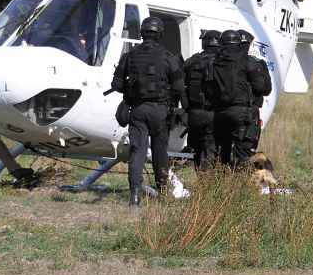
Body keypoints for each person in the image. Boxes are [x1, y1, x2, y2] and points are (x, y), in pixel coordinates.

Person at [111, 16, 188, 206]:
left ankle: (135, 197)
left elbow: (116, 84)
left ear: (142, 34)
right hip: (160, 111)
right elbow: (179, 87)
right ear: (159, 34)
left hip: (137, 109)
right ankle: (162, 194)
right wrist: (187, 109)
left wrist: (133, 87)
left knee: (137, 151)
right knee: (160, 152)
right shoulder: (168, 57)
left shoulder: (129, 56)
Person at [211, 29, 271, 168]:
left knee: (222, 154)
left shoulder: (215, 62)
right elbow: (262, 88)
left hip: (220, 114)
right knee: (243, 154)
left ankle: (221, 185)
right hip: (242, 113)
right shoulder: (247, 61)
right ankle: (241, 186)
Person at [183, 30, 221, 172]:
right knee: (211, 147)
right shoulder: (223, 61)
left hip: (195, 112)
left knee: (197, 147)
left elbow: (180, 82)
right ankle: (207, 182)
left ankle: (201, 177)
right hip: (214, 113)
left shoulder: (193, 61)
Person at [237, 29, 272, 167]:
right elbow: (263, 88)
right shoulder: (251, 62)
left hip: (224, 112)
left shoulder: (222, 60)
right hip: (248, 112)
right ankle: (244, 182)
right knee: (246, 151)